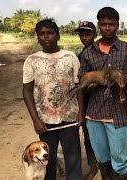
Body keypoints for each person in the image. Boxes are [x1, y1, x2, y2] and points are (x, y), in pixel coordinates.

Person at [77, 7, 127, 180]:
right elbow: (82, 84)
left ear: (117, 25)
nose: (108, 28)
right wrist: (92, 84)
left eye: (111, 24)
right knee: (102, 158)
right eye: (104, 24)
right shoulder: (88, 52)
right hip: (94, 114)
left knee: (121, 161)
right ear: (99, 25)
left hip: (119, 114)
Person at [22, 19, 82, 180]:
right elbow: (27, 91)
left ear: (58, 35)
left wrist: (81, 112)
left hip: (69, 117)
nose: (46, 37)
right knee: (48, 158)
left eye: (50, 33)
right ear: (37, 38)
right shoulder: (32, 60)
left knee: (73, 155)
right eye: (41, 34)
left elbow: (78, 87)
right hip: (45, 120)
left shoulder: (70, 57)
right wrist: (35, 119)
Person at [74, 21, 98, 180]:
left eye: (87, 34)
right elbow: (79, 86)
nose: (84, 37)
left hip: (102, 102)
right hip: (87, 103)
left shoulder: (99, 52)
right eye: (81, 34)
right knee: (89, 137)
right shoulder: (79, 56)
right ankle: (93, 166)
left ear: (95, 35)